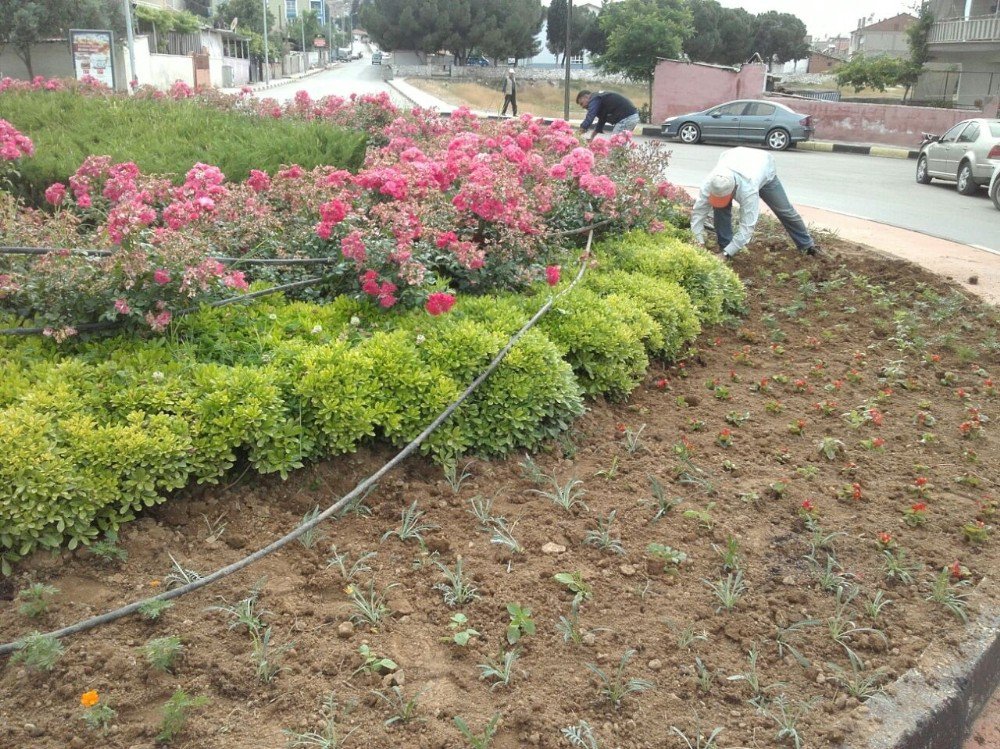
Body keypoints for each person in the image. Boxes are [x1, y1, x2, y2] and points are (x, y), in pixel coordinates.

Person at [690, 147, 818, 260]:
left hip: (763, 169)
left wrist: (725, 255)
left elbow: (747, 228)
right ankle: (725, 246)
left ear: (733, 190)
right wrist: (698, 240)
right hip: (734, 158)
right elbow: (698, 212)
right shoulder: (711, 182)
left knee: (784, 210)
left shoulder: (748, 190)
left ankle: (806, 245)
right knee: (720, 207)